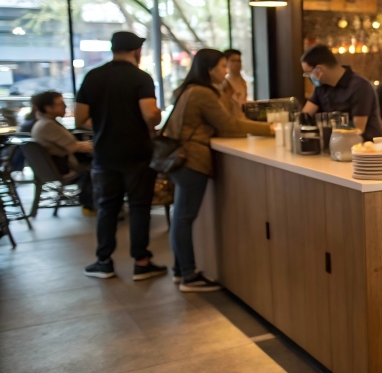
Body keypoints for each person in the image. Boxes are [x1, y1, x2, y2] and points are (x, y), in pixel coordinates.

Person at [162, 49, 272, 292]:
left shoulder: (189, 89)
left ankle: (181, 271)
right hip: (192, 160)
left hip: (181, 159)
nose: (226, 71)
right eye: (223, 66)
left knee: (181, 217)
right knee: (183, 218)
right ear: (210, 70)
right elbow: (228, 125)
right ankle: (189, 276)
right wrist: (269, 128)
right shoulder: (202, 93)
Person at [75, 31, 167, 281]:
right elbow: (149, 114)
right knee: (139, 207)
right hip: (138, 153)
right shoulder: (140, 78)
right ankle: (142, 262)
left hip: (105, 154)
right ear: (137, 52)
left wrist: (106, 125)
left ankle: (104, 261)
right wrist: (156, 117)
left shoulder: (92, 76)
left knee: (107, 207)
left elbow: (80, 118)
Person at [300, 43, 382, 141]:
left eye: (308, 73)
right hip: (336, 145)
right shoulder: (322, 87)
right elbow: (305, 116)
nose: (309, 77)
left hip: (366, 148)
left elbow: (358, 130)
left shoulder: (360, 86)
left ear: (319, 69)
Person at [29, 90, 95, 213]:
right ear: (48, 108)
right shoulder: (48, 126)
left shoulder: (42, 123)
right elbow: (76, 147)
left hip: (52, 168)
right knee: (104, 168)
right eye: (61, 103)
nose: (65, 106)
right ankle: (99, 205)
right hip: (66, 168)